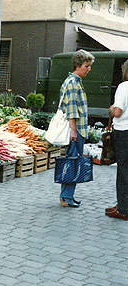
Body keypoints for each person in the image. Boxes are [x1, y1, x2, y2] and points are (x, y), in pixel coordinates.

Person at [59, 49, 94, 208]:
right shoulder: (73, 83)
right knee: (72, 162)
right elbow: (72, 110)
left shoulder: (75, 81)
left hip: (77, 130)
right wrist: (74, 131)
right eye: (87, 66)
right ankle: (66, 197)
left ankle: (67, 195)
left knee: (72, 161)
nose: (89, 69)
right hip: (76, 130)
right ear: (78, 65)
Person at [105, 60, 128, 220]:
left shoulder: (123, 87)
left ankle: (124, 209)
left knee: (123, 170)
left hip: (124, 132)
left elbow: (118, 112)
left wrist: (112, 109)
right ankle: (122, 204)